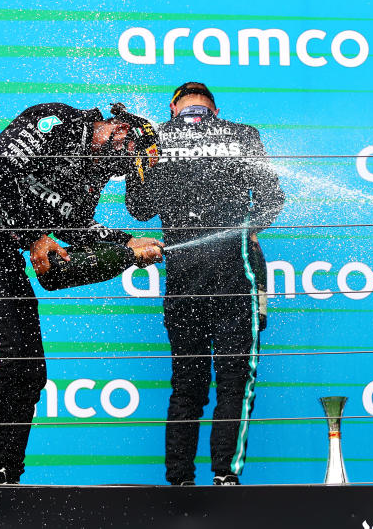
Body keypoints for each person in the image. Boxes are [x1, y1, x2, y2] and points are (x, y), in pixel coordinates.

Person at [0, 102, 163, 484]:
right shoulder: (57, 120)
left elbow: (64, 260)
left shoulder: (91, 181)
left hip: (6, 252)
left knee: (30, 369)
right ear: (120, 129)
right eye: (125, 161)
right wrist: (36, 236)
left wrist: (128, 250)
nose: (119, 172)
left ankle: (9, 474)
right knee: (1, 353)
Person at [125, 82, 285, 485]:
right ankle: (225, 479)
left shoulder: (154, 137)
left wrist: (143, 159)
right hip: (238, 272)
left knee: (187, 383)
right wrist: (249, 228)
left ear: (174, 105)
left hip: (184, 277)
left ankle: (179, 482)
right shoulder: (243, 134)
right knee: (235, 380)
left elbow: (139, 209)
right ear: (214, 107)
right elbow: (272, 199)